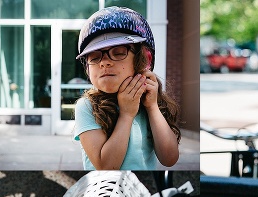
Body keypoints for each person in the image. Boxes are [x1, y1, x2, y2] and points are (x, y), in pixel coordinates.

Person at [74, 7, 181, 170]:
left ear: (144, 60)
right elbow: (105, 168)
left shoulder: (150, 102)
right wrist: (126, 114)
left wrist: (152, 107)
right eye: (94, 57)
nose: (104, 62)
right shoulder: (87, 107)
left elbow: (170, 158)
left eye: (118, 53)